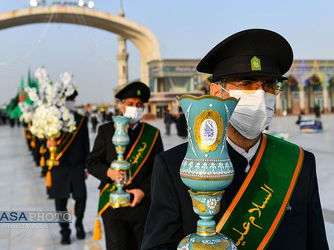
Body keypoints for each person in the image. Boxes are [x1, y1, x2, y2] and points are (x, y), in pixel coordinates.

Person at [142, 29, 329, 249]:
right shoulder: (175, 166)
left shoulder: (298, 163)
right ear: (216, 91)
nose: (261, 95)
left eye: (269, 85)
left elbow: (315, 242)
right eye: (247, 84)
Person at [86, 81, 164, 250]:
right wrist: (109, 172)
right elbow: (92, 162)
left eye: (139, 105)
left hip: (141, 205)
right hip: (113, 206)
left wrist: (143, 191)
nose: (134, 108)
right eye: (130, 104)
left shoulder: (152, 134)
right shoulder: (106, 131)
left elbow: (159, 171)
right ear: (122, 107)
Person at [46, 90, 90, 245]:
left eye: (72, 99)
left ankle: (79, 223)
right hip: (60, 167)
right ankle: (64, 231)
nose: (69, 101)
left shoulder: (81, 120)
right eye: (66, 99)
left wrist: (86, 167)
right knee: (60, 202)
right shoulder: (53, 119)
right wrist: (48, 144)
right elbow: (46, 141)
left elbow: (86, 144)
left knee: (81, 197)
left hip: (77, 166)